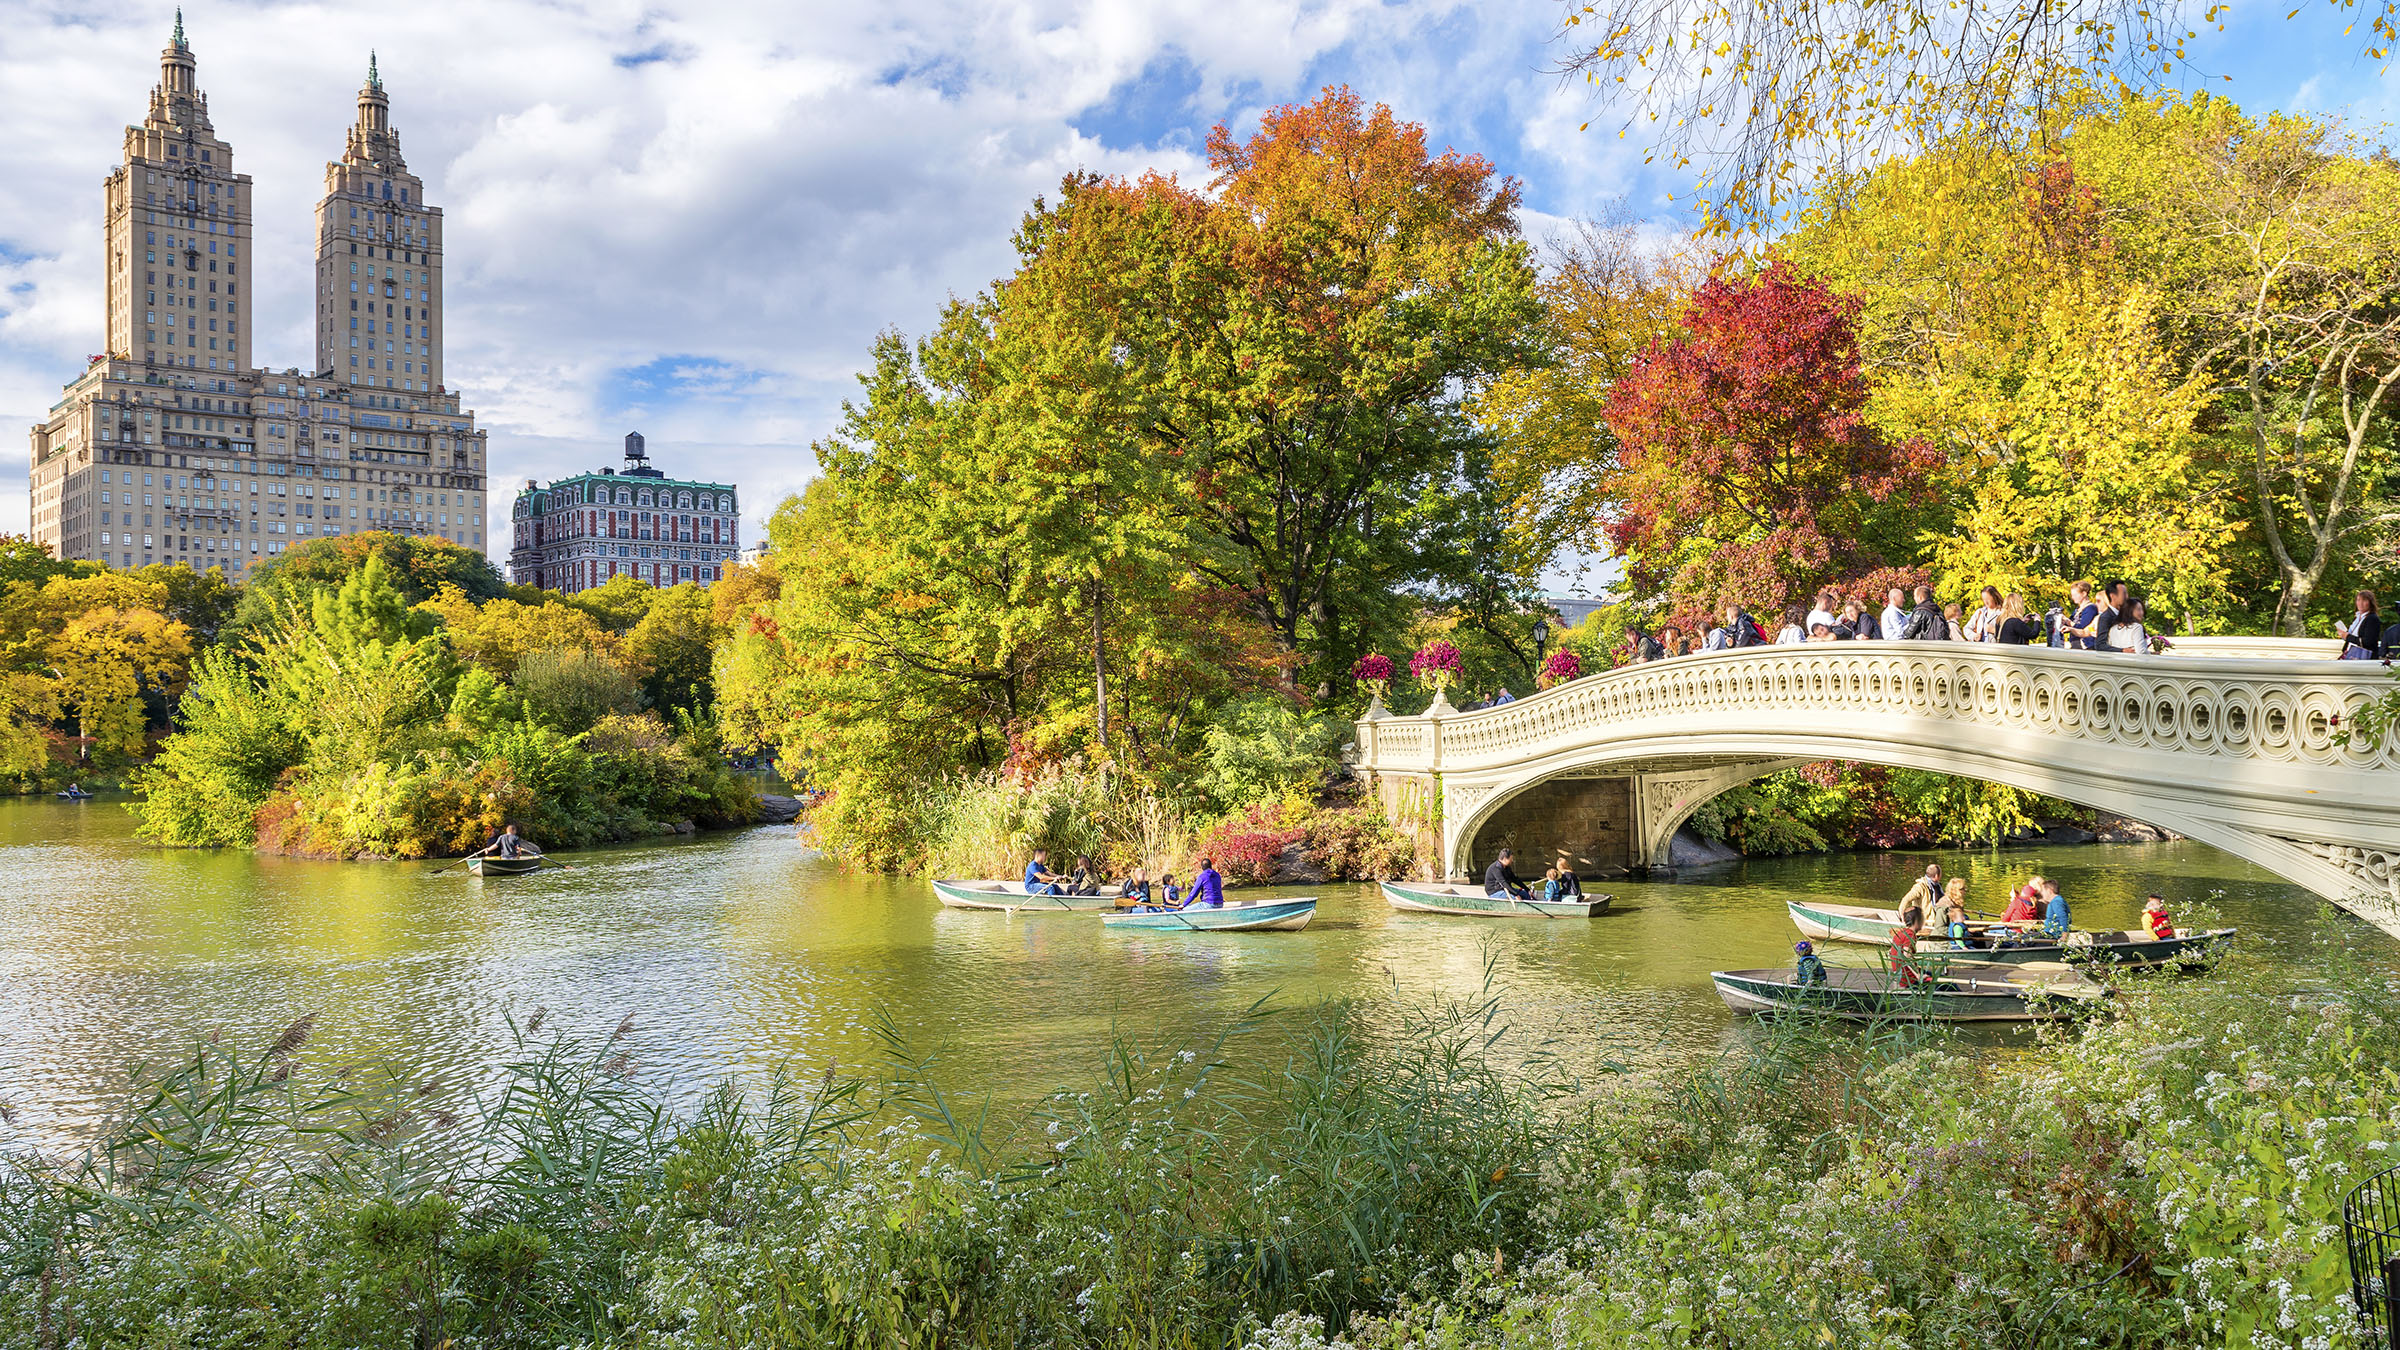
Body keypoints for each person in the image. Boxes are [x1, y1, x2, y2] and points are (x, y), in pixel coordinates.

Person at [1896, 864, 1943, 930]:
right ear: (1936, 876)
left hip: (1936, 919)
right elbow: (1906, 899)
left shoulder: (1937, 886)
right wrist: (1902, 915)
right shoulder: (1920, 887)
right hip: (1926, 921)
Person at [2341, 590, 2385, 660]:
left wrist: (2348, 637)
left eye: (2364, 600)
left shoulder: (2372, 618)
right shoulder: (2357, 617)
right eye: (2358, 600)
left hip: (2363, 657)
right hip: (2351, 654)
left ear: (2370, 603)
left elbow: (2368, 641)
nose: (2360, 603)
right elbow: (2355, 636)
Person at [2090, 579, 2130, 654]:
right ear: (2113, 596)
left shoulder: (2126, 615)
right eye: (2124, 594)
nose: (2127, 597)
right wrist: (2122, 651)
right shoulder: (2106, 617)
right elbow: (2100, 645)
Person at [2063, 581, 2101, 650]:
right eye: (2072, 595)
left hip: (2086, 646)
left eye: (2075, 595)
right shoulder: (2078, 609)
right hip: (2076, 644)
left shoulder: (2090, 608)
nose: (2073, 597)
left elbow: (2083, 628)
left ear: (2084, 594)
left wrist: (2068, 622)